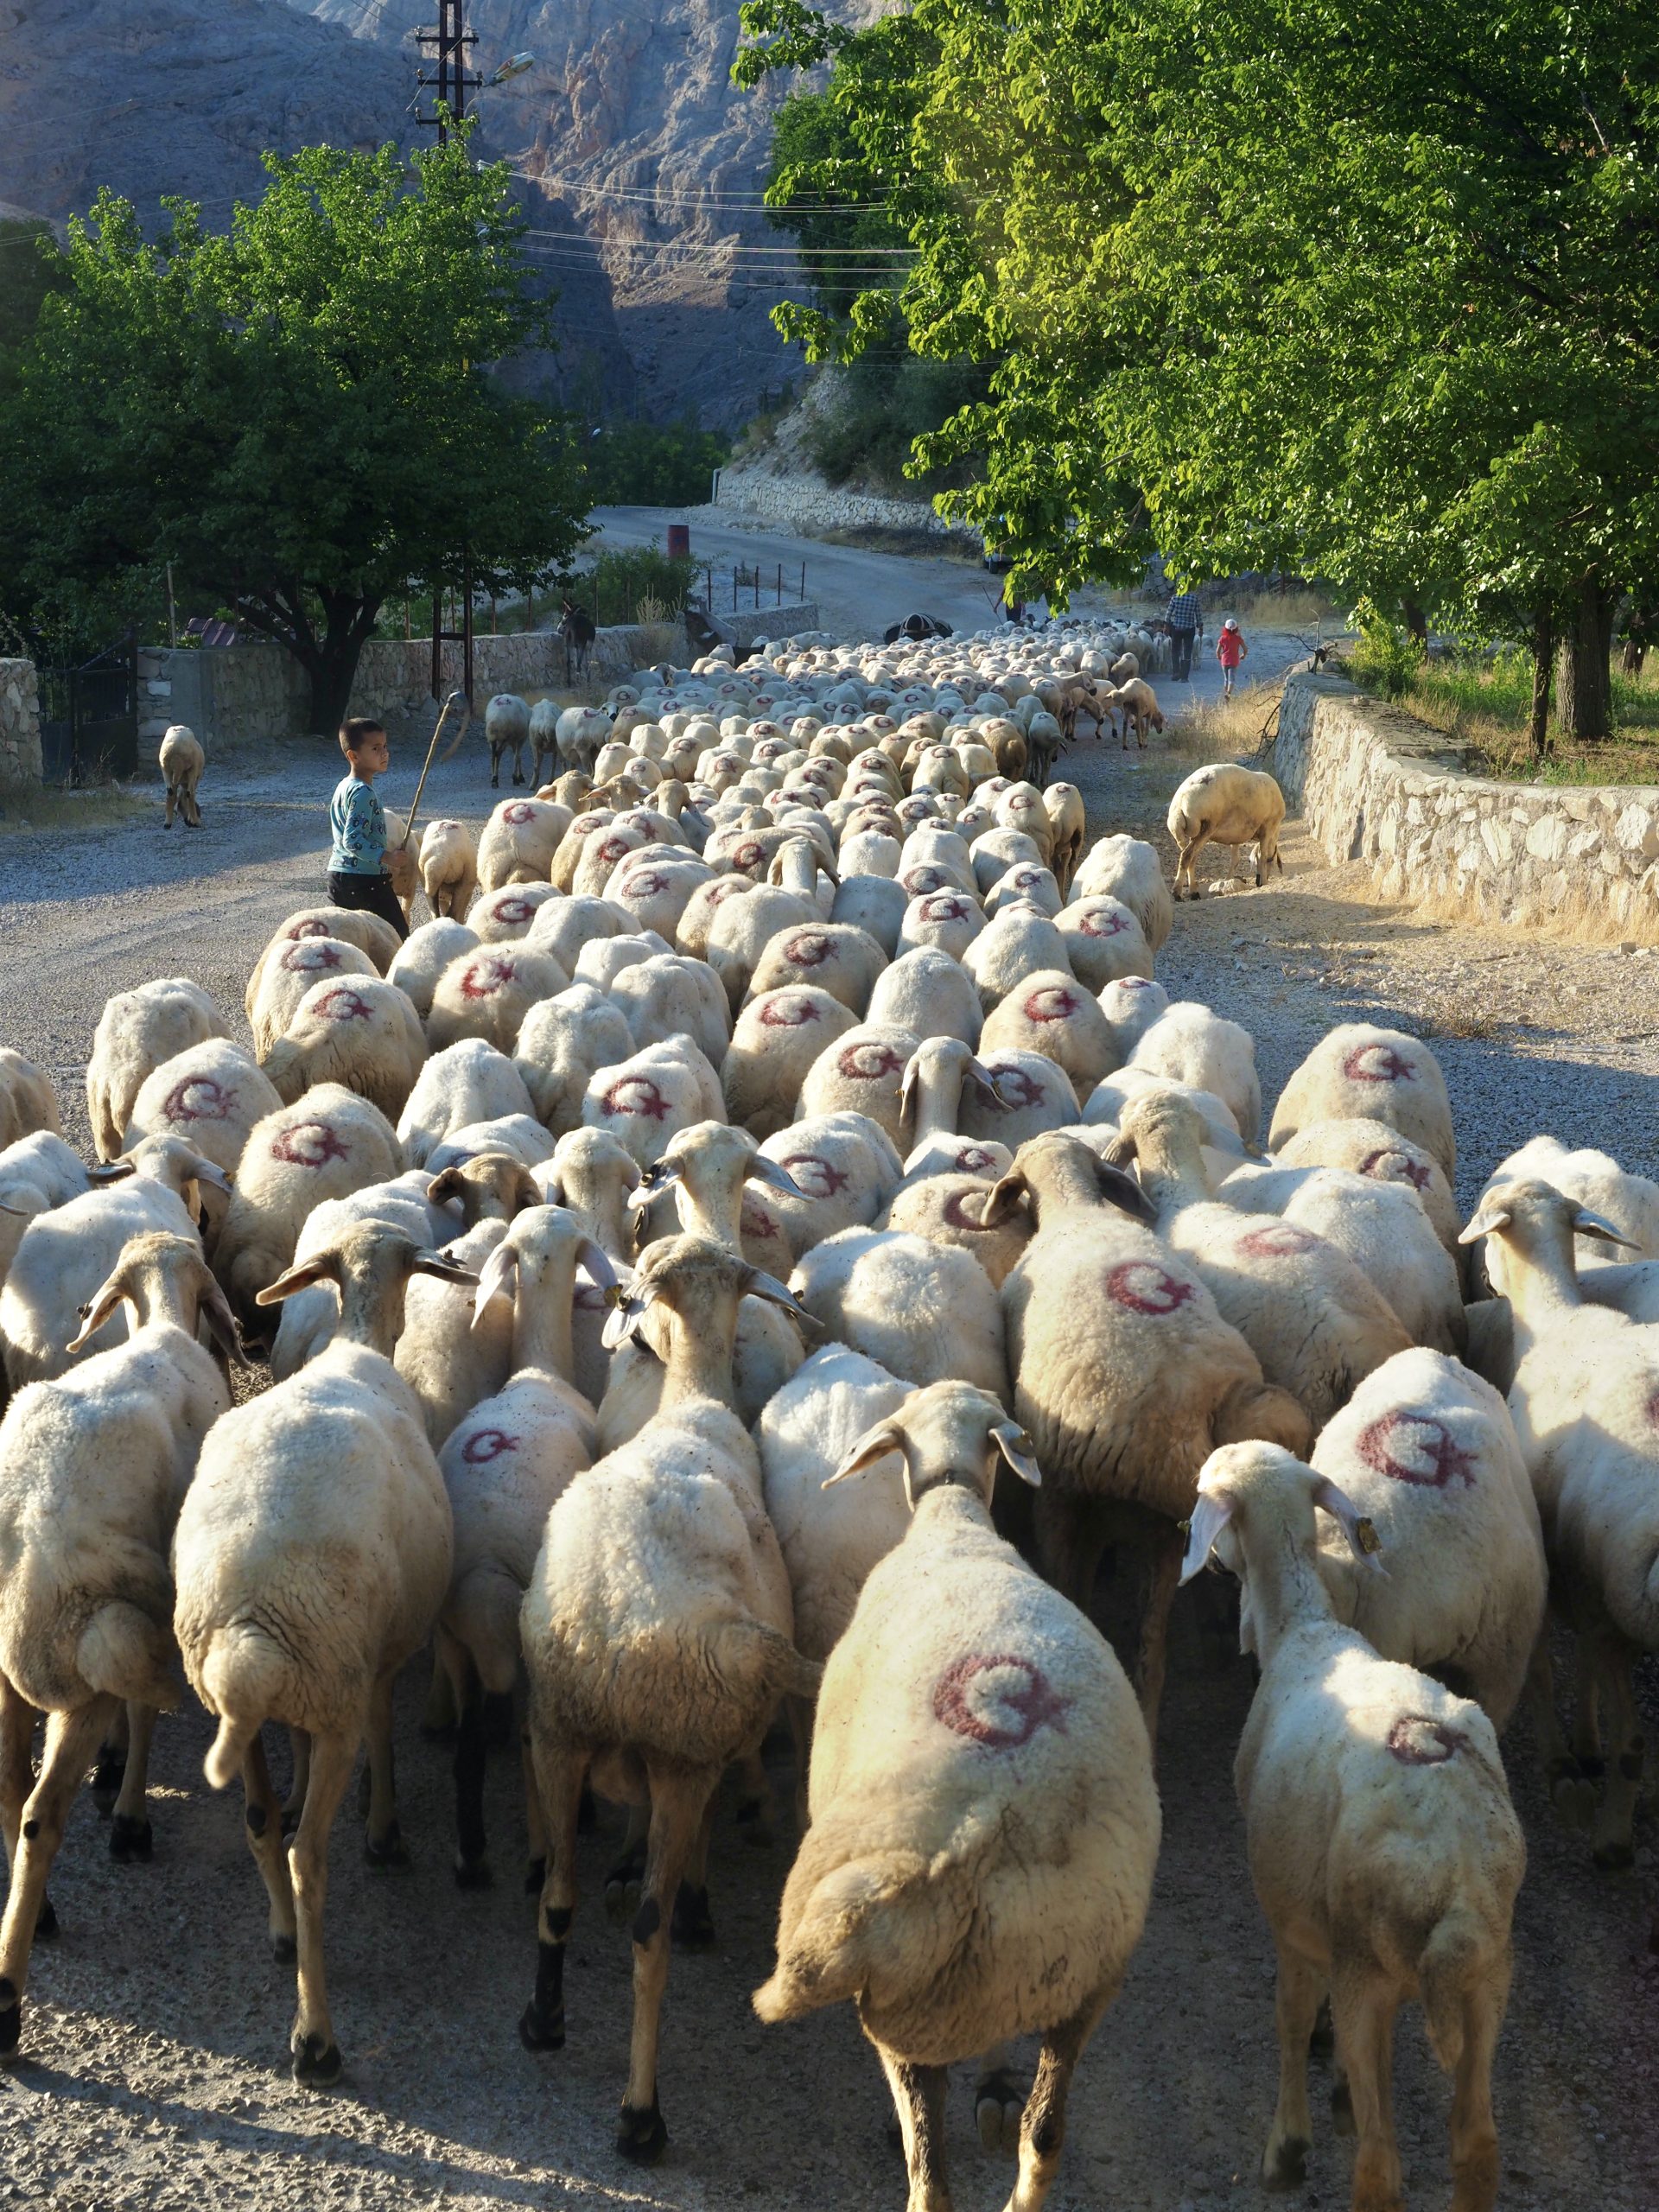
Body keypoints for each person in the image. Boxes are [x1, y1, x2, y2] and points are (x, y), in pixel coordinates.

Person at [327, 715, 410, 941]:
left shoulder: (345, 786)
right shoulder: (363, 792)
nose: (384, 753)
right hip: (362, 881)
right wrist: (387, 857)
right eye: (375, 748)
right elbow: (352, 840)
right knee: (396, 940)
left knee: (355, 943)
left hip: (342, 877)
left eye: (385, 746)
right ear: (353, 756)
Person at [1166, 583, 1203, 680]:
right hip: (1189, 628)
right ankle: (1184, 676)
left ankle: (1176, 673)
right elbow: (1198, 615)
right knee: (1187, 652)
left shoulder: (1175, 597)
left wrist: (1167, 625)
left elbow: (1168, 614)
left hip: (1177, 628)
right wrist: (1200, 627)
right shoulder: (1194, 599)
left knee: (1175, 651)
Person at [1217, 616, 1249, 697]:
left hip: (1224, 661)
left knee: (1226, 679)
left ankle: (1226, 693)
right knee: (1232, 679)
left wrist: (1219, 657)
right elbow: (1245, 649)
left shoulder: (1222, 638)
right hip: (1234, 661)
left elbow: (1217, 651)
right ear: (1236, 629)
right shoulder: (1238, 638)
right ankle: (1228, 694)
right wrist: (1243, 656)